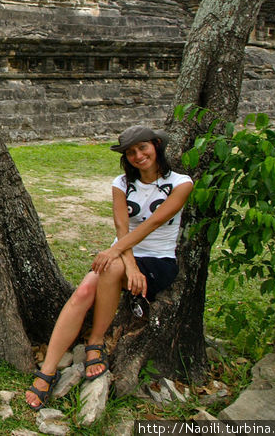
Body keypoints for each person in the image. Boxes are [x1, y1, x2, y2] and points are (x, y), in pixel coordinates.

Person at [24, 125, 193, 410]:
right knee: (82, 292)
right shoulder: (121, 183)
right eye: (131, 152)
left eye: (143, 148)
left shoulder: (181, 182)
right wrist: (127, 261)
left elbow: (151, 224)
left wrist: (118, 255)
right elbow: (121, 226)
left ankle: (95, 341)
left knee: (109, 269)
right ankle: (48, 369)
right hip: (121, 254)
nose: (138, 156)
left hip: (158, 259)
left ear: (156, 145)